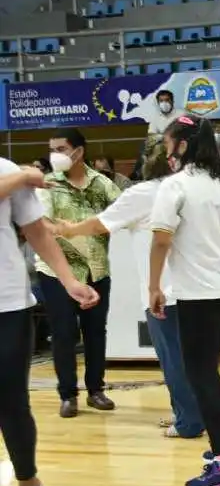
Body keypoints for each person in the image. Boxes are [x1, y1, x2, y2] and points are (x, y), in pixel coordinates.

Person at [55, 144, 205, 439]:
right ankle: (192, 414)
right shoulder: (194, 189)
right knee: (196, 360)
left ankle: (190, 421)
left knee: (174, 360)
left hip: (165, 291)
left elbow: (101, 223)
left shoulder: (146, 193)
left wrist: (68, 229)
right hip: (199, 288)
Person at [148, 115, 220, 486]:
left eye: (167, 144)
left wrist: (152, 287)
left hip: (197, 296)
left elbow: (161, 240)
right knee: (208, 374)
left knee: (201, 377)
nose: (166, 152)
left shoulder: (175, 186)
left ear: (182, 145)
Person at [1, 161, 100, 486]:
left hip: (7, 304)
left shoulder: (6, 170)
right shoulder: (16, 175)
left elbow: (39, 232)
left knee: (10, 401)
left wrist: (69, 280)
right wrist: (22, 178)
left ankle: (29, 484)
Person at [37, 128, 120, 418]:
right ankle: (67, 395)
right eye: (52, 149)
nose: (55, 154)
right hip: (56, 271)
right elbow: (42, 225)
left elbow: (119, 217)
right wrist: (68, 230)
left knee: (96, 331)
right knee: (64, 332)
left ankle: (96, 390)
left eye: (61, 148)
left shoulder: (103, 184)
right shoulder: (48, 184)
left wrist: (96, 226)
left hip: (97, 269)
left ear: (78, 151)